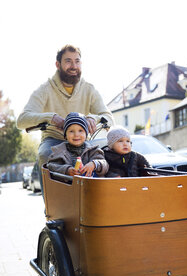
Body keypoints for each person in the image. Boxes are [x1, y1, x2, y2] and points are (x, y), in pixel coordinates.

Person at [16, 44, 114, 186]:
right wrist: (50, 117)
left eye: (77, 61)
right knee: (45, 154)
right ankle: (51, 205)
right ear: (58, 64)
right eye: (68, 61)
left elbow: (109, 117)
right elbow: (21, 120)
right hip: (53, 139)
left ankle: (100, 199)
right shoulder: (45, 90)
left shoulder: (89, 89)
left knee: (106, 154)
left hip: (83, 139)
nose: (73, 66)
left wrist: (94, 118)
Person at [47, 112, 108, 177]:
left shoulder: (93, 150)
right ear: (65, 135)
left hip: (91, 184)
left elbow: (105, 164)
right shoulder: (59, 150)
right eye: (71, 131)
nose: (76, 135)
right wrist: (66, 170)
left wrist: (94, 164)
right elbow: (51, 166)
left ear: (86, 134)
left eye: (80, 131)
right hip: (68, 185)